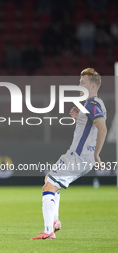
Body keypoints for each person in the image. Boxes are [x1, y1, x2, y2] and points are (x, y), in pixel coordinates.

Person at [31, 68, 107, 240]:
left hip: (78, 157)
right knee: (49, 178)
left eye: (83, 82)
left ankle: (48, 231)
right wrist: (78, 118)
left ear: (93, 86)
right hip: (80, 157)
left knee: (48, 187)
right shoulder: (96, 104)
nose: (79, 85)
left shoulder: (92, 103)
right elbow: (92, 129)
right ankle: (55, 221)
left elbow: (102, 128)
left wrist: (97, 155)